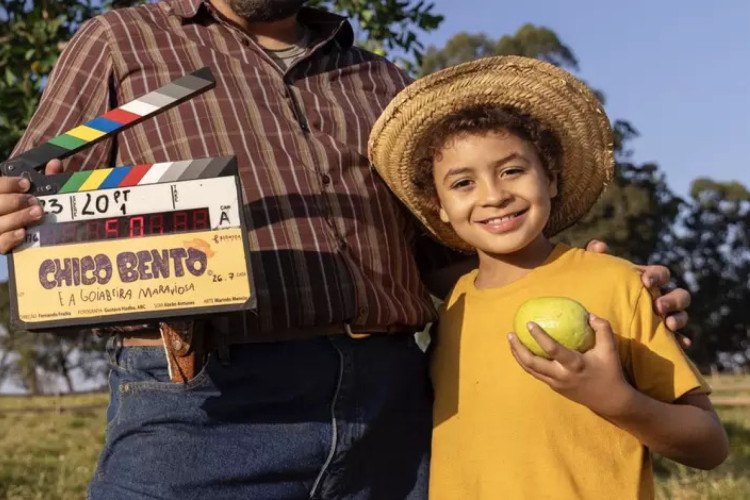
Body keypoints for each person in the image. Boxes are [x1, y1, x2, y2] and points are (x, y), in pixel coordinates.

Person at [0, 1, 691, 498]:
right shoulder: (121, 43)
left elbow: (448, 253)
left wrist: (579, 281)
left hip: (391, 405)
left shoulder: (385, 85)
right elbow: (35, 187)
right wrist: (8, 210)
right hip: (203, 403)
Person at [368, 55, 728, 499]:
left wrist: (617, 401)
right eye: (463, 183)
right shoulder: (455, 304)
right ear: (439, 208)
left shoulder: (614, 283)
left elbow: (709, 444)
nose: (495, 196)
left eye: (512, 171)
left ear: (551, 179)